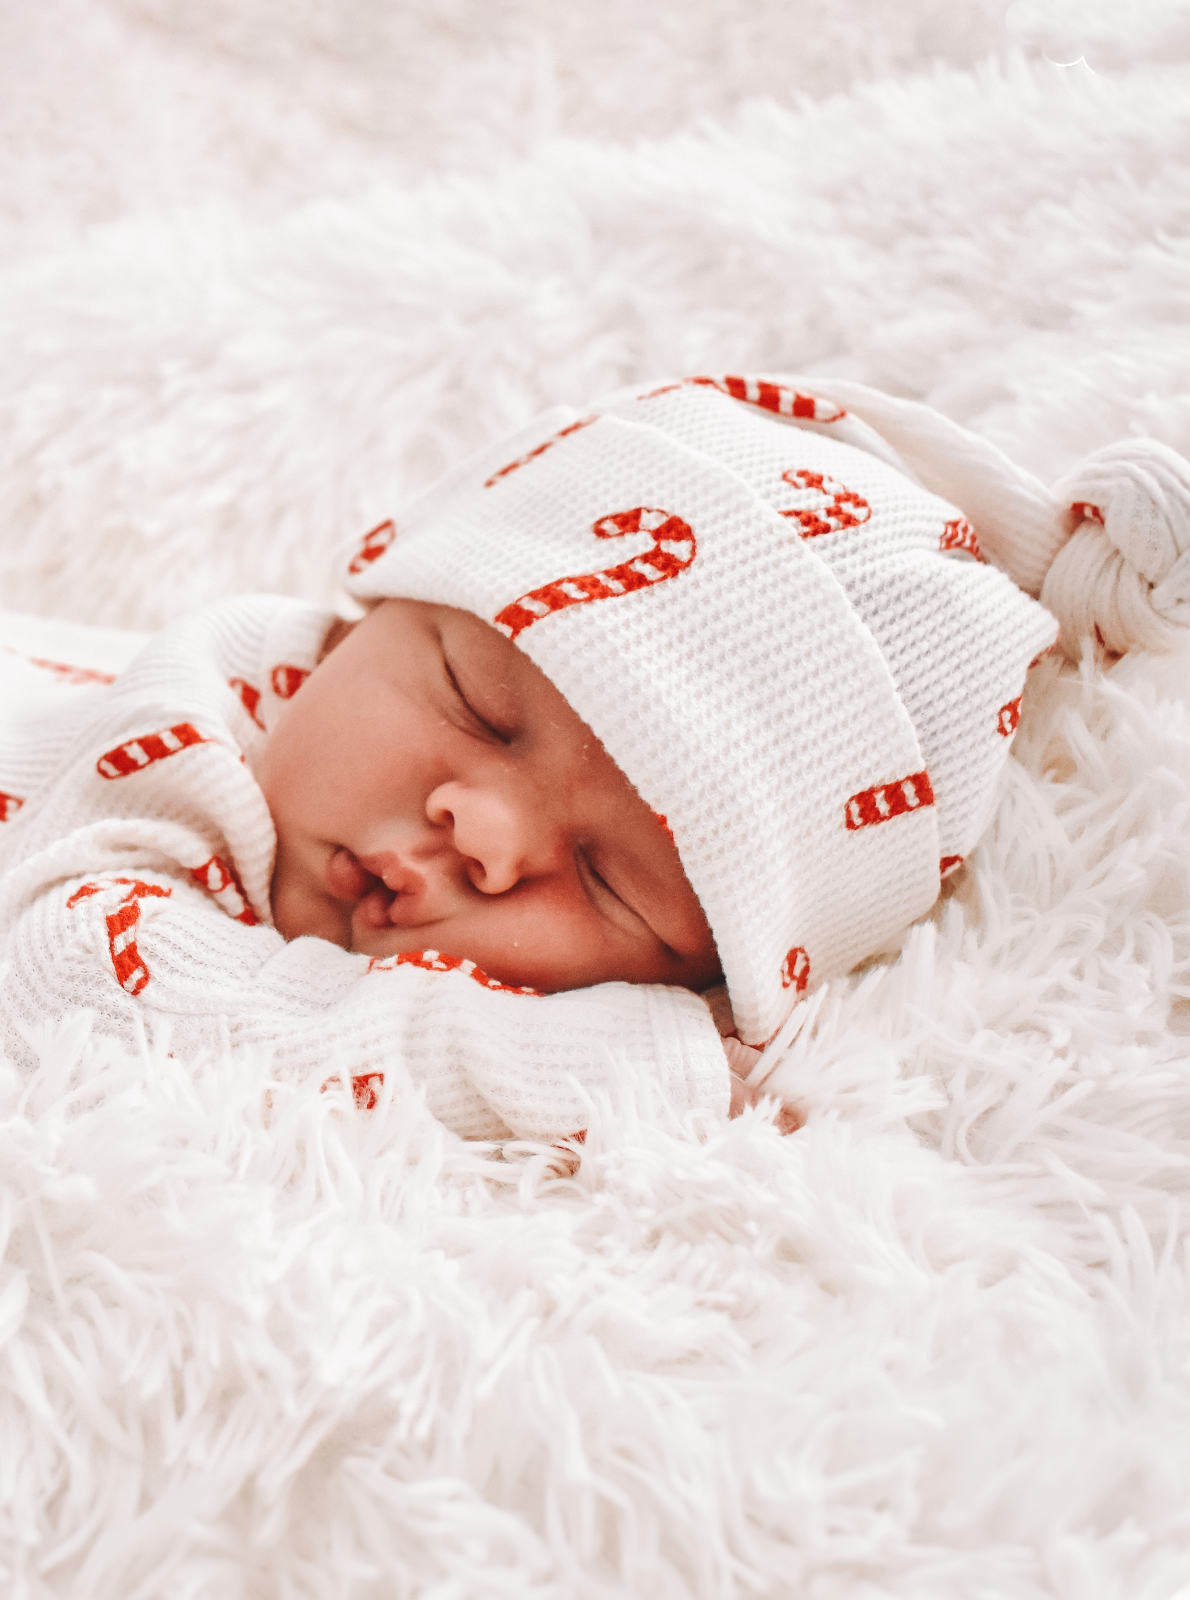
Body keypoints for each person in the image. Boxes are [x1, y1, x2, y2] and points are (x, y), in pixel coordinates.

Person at [2, 373, 1187, 1142]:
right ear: (371, 609)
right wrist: (592, 1071)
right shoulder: (195, 726)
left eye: (609, 879)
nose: (486, 834)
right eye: (477, 706)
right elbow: (70, 983)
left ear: (706, 979)